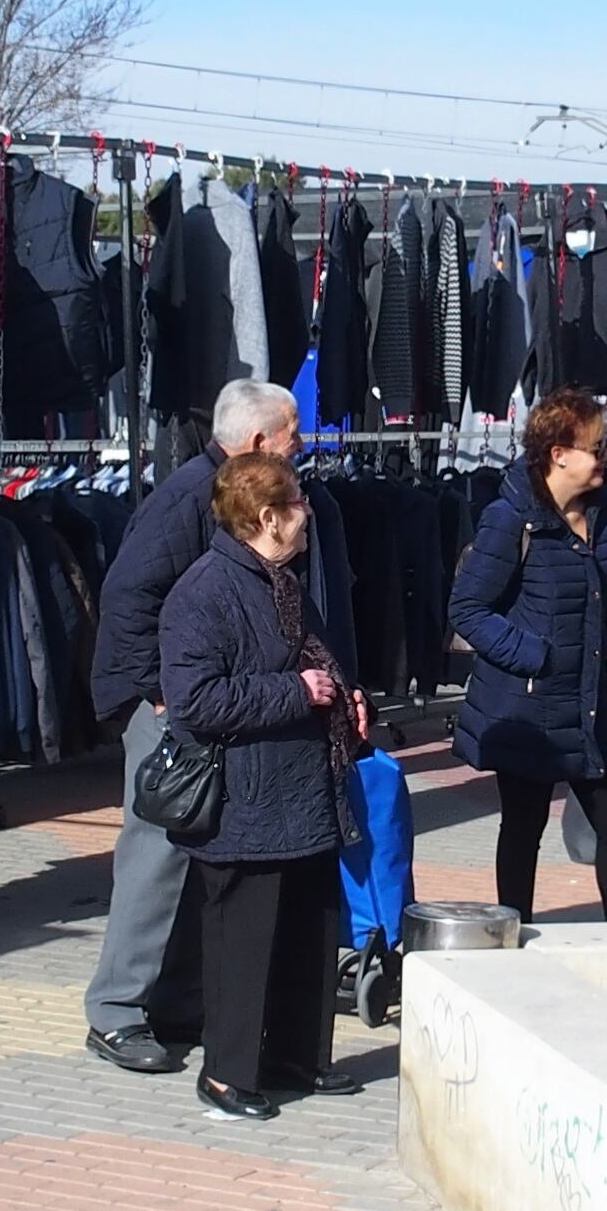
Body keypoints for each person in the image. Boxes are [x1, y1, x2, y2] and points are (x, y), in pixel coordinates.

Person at [85, 378, 305, 1073]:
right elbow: (126, 594)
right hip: (172, 707)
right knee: (156, 851)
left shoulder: (239, 492)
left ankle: (177, 1002)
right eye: (295, 433)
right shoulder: (190, 495)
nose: (304, 446)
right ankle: (116, 1012)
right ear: (261, 440)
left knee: (201, 850)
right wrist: (154, 695)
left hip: (209, 702)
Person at [157, 453, 367, 1121]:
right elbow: (195, 701)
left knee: (308, 928)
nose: (309, 513)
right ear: (268, 517)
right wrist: (295, 693)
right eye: (298, 504)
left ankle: (297, 1057)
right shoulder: (203, 591)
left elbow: (318, 655)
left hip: (302, 790)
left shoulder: (280, 579)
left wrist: (346, 698)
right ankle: (227, 1073)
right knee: (242, 943)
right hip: (243, 801)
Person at [448, 389, 607, 922]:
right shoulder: (511, 519)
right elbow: (466, 608)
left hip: (591, 707)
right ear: (559, 453)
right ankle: (513, 935)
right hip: (529, 710)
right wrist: (535, 656)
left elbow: (606, 608)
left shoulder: (603, 514)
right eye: (597, 447)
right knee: (524, 828)